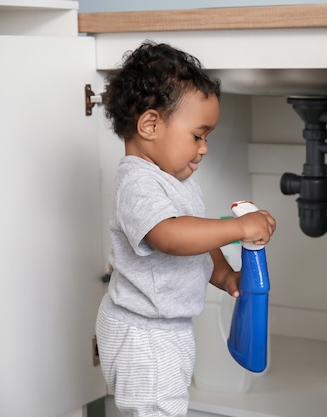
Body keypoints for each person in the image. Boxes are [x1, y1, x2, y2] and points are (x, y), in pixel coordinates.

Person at [95, 41, 276, 417]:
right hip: (144, 333)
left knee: (166, 406)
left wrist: (225, 275)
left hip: (161, 327)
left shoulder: (172, 180)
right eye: (198, 135)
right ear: (150, 124)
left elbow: (193, 234)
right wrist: (237, 228)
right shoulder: (138, 183)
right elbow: (170, 236)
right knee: (159, 410)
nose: (204, 148)